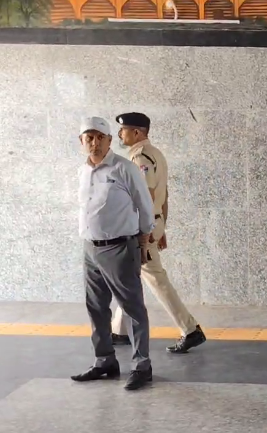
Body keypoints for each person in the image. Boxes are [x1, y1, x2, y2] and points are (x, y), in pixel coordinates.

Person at [110, 112, 207, 353]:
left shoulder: (140, 157)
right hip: (152, 223)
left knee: (154, 279)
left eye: (123, 130)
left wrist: (146, 231)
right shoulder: (156, 154)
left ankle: (190, 329)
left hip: (141, 228)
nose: (120, 134)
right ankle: (119, 331)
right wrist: (161, 226)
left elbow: (147, 195)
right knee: (128, 275)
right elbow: (165, 194)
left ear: (137, 133)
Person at [70, 117, 155, 391]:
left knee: (132, 308)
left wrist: (143, 242)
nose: (94, 143)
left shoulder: (124, 168)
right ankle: (104, 360)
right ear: (81, 141)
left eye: (100, 137)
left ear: (109, 140)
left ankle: (142, 365)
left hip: (119, 247)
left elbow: (145, 205)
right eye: (89, 138)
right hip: (90, 248)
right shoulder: (83, 171)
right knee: (96, 307)